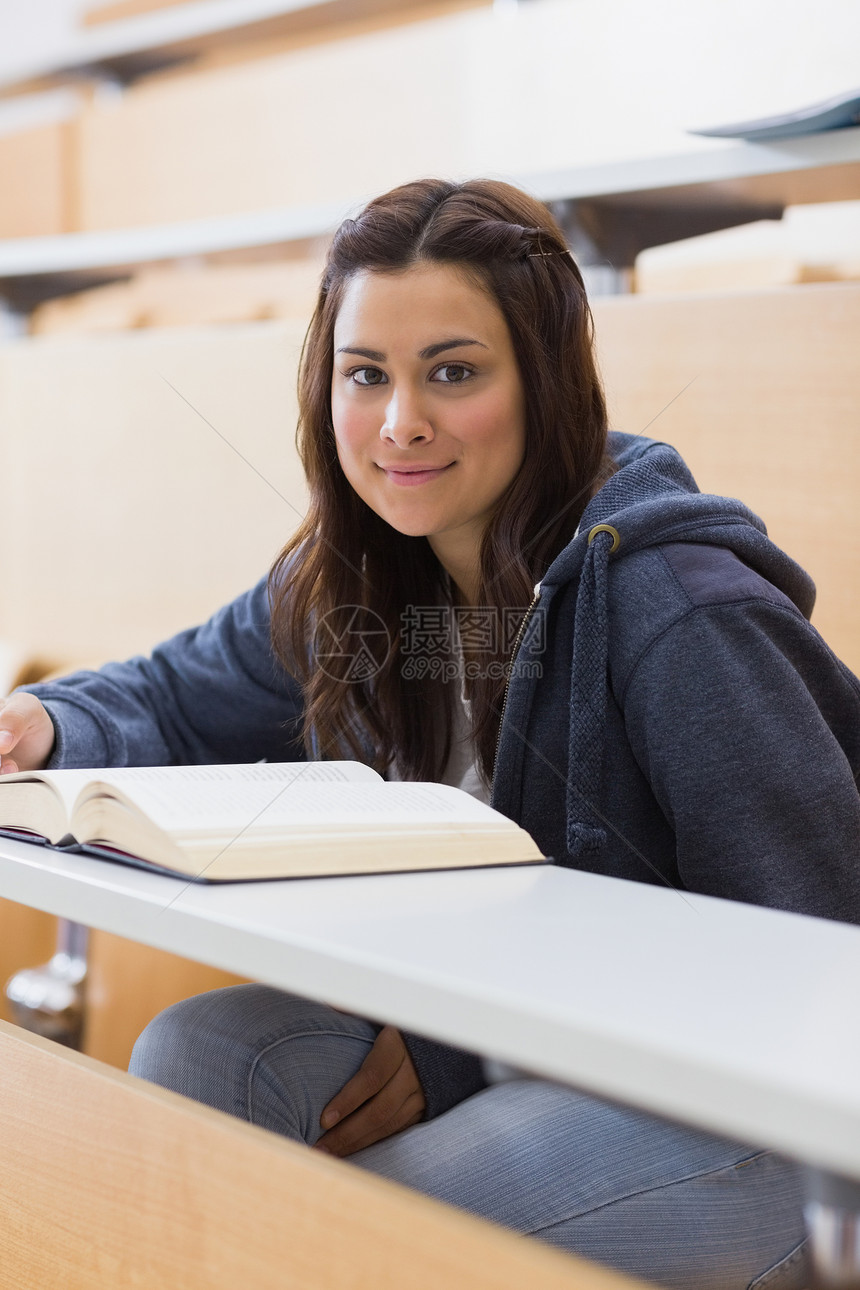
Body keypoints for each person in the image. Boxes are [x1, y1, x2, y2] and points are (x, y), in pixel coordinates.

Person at [2, 177, 858, 1289]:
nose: (399, 421)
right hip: (526, 1052)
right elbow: (170, 697)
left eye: (452, 372)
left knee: (340, 1238)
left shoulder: (677, 611)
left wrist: (454, 1053)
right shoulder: (352, 583)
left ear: (541, 385)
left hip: (750, 1115)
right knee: (195, 1055)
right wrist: (44, 723)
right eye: (366, 375)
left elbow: (814, 976)